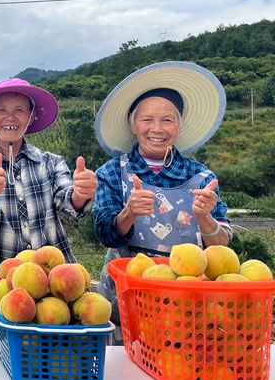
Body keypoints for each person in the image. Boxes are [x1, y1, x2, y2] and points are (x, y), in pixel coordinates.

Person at [93, 61, 231, 342]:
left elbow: (222, 247)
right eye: (147, 119)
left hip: (187, 306)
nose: (157, 128)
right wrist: (129, 212)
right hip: (125, 304)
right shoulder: (111, 172)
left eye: (168, 119)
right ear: (133, 125)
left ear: (179, 126)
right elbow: (105, 234)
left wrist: (205, 218)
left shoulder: (202, 177)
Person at [0, 78, 98, 342]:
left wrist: (81, 193)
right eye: (1, 110)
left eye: (19, 110)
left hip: (52, 290)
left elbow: (69, 203)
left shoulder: (50, 162)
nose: (10, 117)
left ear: (32, 116)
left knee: (53, 361)